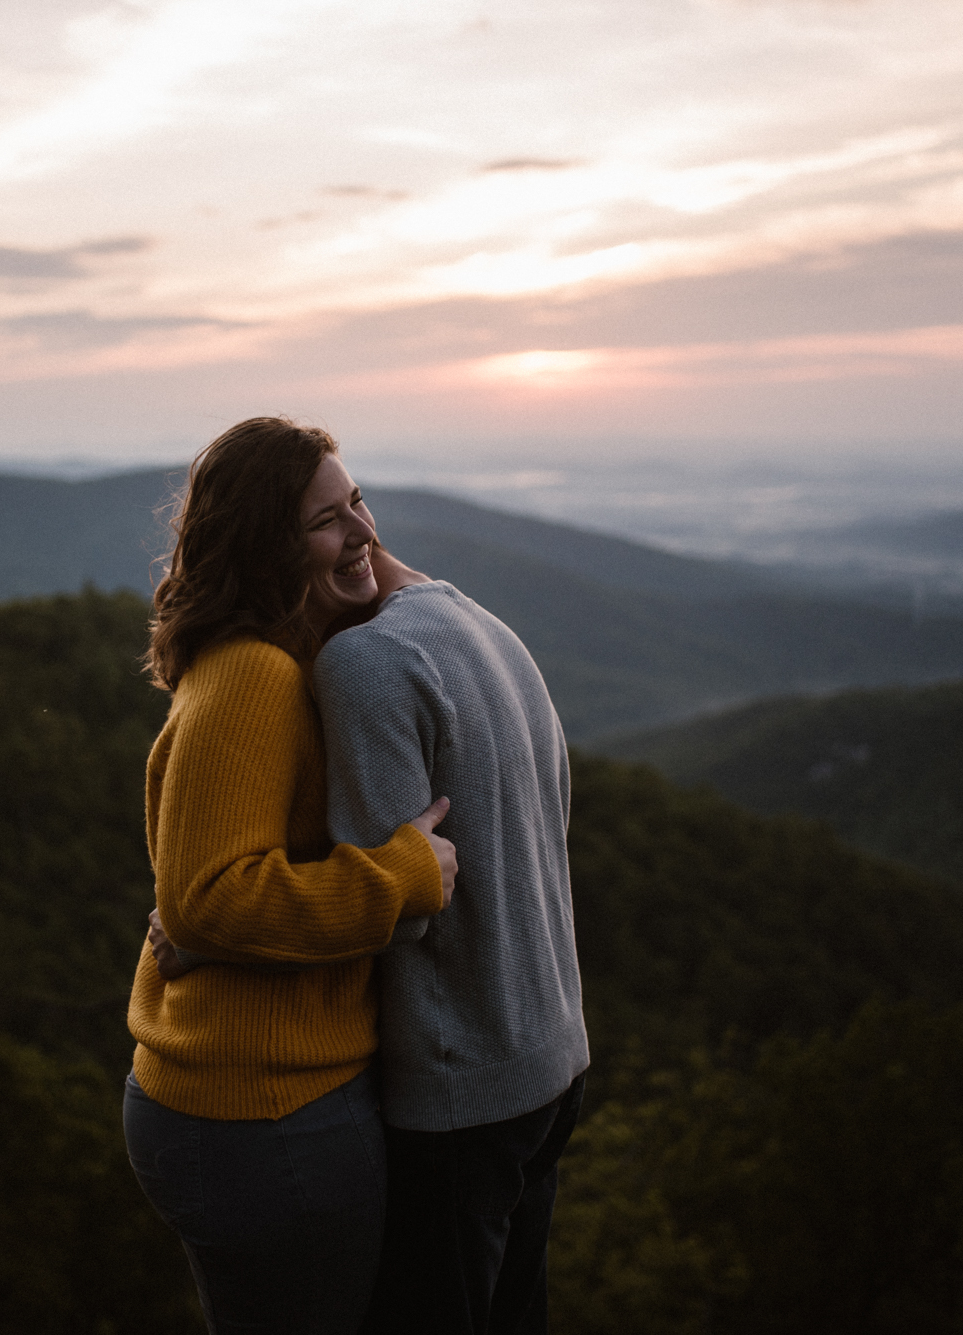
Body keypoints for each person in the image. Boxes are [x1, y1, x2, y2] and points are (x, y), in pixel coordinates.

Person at [123, 416, 458, 1335]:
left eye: (360, 502)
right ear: (267, 544)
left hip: (245, 1106)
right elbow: (210, 894)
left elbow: (197, 879)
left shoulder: (272, 662)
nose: (361, 533)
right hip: (266, 1115)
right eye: (326, 519)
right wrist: (403, 874)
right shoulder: (255, 678)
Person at [317, 543, 590, 1335]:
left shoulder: (362, 661)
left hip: (461, 1085)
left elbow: (398, 910)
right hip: (553, 1055)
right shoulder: (479, 622)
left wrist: (213, 929)